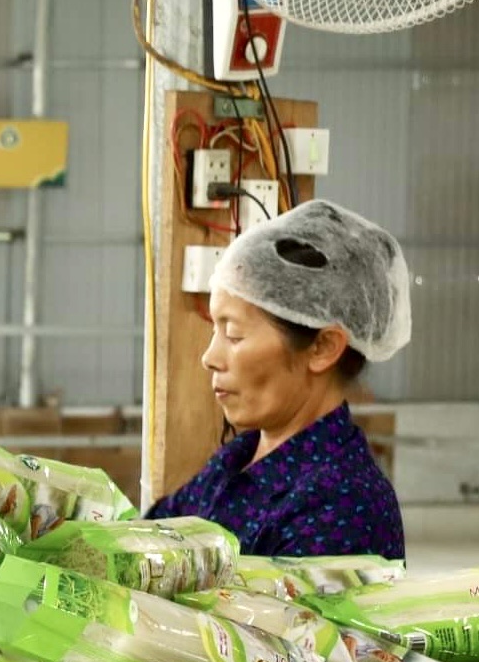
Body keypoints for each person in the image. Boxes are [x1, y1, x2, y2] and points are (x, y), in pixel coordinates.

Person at [150, 200, 409, 559]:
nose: (209, 358)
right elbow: (150, 538)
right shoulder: (238, 459)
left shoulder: (344, 507)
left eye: (235, 335)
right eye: (215, 330)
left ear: (322, 347)